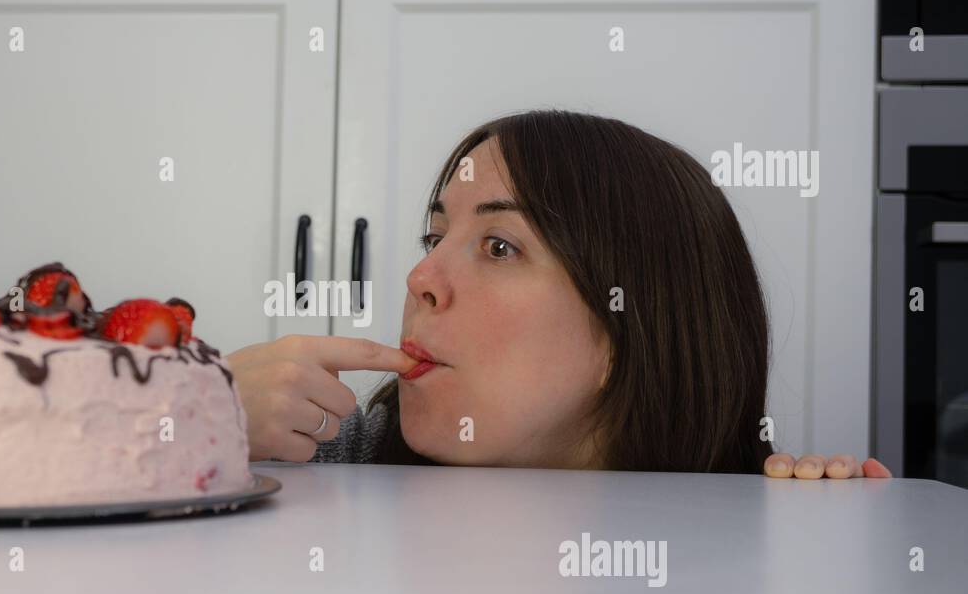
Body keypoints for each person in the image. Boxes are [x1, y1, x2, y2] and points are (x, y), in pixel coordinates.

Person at [225, 109, 890, 480]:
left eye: (499, 246)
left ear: (633, 326)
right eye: (435, 239)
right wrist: (207, 420)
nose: (419, 280)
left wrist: (824, 529)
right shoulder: (324, 450)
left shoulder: (749, 516)